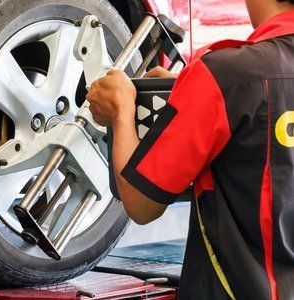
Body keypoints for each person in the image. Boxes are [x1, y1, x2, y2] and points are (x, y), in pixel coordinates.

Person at [86, 0, 294, 299]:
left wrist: (121, 110)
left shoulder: (224, 76)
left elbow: (141, 203)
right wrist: (189, 95)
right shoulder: (229, 80)